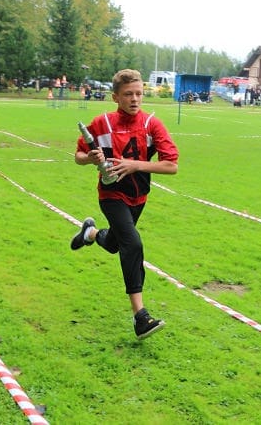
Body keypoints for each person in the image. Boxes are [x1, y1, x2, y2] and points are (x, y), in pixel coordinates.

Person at [71, 68, 179, 339]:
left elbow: (171, 165)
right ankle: (140, 317)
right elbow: (78, 156)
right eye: (128, 94)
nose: (135, 99)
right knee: (133, 244)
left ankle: (91, 233)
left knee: (116, 244)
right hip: (111, 195)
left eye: (139, 93)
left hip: (139, 196)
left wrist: (135, 166)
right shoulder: (102, 123)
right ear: (115, 97)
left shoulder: (152, 124)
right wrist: (91, 159)